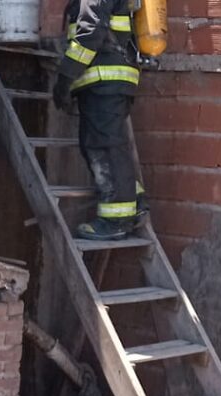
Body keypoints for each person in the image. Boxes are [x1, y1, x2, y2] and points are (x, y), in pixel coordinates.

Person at [52, 0, 143, 241]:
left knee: (103, 148)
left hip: (105, 81)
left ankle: (116, 220)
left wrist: (65, 78)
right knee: (112, 145)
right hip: (111, 81)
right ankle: (136, 202)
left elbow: (89, 34)